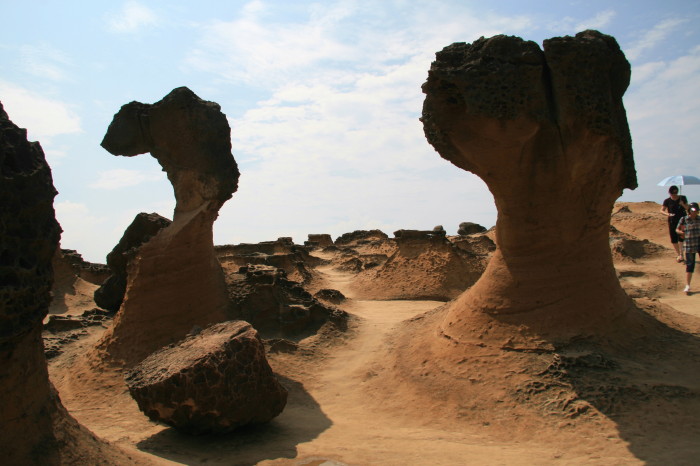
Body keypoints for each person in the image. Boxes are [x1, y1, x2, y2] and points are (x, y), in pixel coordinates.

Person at [676, 202, 700, 295]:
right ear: (689, 210)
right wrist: (681, 233)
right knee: (690, 266)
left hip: (699, 242)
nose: (695, 212)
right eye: (693, 211)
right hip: (689, 245)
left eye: (697, 211)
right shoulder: (684, 219)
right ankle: (688, 285)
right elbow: (677, 229)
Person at [661, 185, 689, 262]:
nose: (674, 195)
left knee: (681, 237)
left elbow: (688, 208)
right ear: (669, 193)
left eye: (675, 193)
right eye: (672, 194)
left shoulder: (682, 198)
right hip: (672, 221)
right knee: (673, 238)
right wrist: (668, 214)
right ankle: (679, 254)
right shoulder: (667, 201)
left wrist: (682, 204)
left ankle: (681, 254)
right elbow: (662, 210)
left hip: (682, 220)